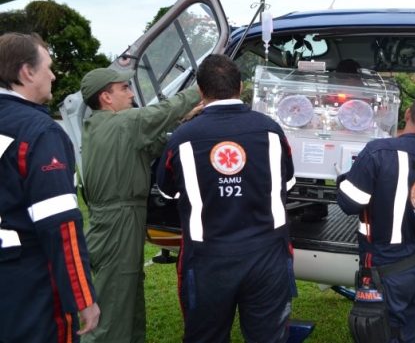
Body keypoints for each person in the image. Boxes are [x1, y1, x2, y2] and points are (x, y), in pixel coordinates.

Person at [156, 54, 296, 343]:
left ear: (200, 91)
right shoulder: (271, 130)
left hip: (208, 259)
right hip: (267, 255)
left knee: (206, 337)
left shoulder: (183, 137)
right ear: (241, 86)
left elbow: (168, 192)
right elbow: (289, 182)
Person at [79, 67, 203, 342]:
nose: (132, 93)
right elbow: (163, 111)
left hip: (118, 221)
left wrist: (185, 121)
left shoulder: (102, 125)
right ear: (106, 97)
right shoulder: (122, 123)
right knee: (112, 308)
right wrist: (201, 88)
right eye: (124, 88)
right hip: (118, 224)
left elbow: (154, 143)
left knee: (129, 297)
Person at [0, 32, 100, 341]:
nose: (54, 76)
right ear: (26, 72)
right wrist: (82, 296)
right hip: (33, 286)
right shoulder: (41, 133)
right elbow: (59, 224)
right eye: (49, 67)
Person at [337, 91, 415, 343]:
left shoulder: (378, 151)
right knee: (407, 327)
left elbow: (349, 203)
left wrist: (344, 180)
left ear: (408, 113)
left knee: (377, 331)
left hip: (382, 267)